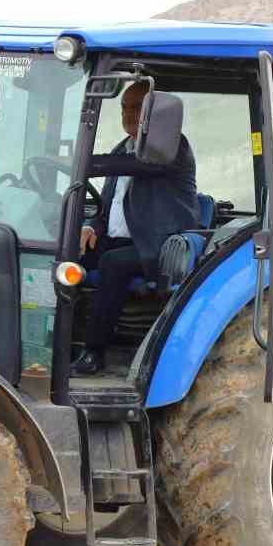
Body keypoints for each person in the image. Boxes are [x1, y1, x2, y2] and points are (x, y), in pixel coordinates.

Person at [72, 81, 198, 375]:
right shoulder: (123, 148)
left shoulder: (172, 148)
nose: (128, 114)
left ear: (157, 113)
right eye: (124, 107)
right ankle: (57, 341)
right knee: (65, 253)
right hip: (119, 242)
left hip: (158, 245)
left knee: (112, 263)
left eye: (137, 107)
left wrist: (77, 162)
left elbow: (137, 165)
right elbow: (108, 203)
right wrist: (91, 227)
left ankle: (94, 351)